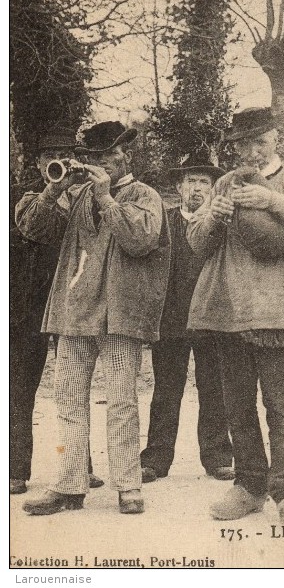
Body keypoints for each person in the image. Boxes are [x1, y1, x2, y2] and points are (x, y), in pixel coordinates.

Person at [187, 108, 284, 525]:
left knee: (282, 403)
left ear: (277, 141)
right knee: (237, 404)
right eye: (243, 144)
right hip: (230, 309)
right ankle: (250, 487)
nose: (252, 151)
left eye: (261, 142)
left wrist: (272, 199)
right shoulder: (223, 183)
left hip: (280, 313)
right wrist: (213, 216)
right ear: (233, 148)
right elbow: (197, 242)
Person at [18, 121, 170, 515]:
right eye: (95, 158)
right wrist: (54, 188)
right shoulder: (77, 193)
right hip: (74, 311)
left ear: (126, 157)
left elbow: (140, 240)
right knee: (67, 399)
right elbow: (34, 228)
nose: (101, 164)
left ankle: (127, 486)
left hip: (120, 313)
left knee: (121, 401)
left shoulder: (145, 195)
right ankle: (70, 484)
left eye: (108, 157)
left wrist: (105, 197)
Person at [11, 131, 104, 496]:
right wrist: (55, 188)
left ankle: (80, 465)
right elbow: (31, 224)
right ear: (38, 164)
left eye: (67, 156)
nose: (59, 163)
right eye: (51, 157)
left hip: (71, 301)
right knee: (19, 388)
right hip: (28, 307)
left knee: (74, 386)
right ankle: (14, 469)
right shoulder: (28, 198)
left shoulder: (88, 196)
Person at [140, 157, 234, 484]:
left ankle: (218, 457)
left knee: (214, 389)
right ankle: (155, 459)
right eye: (190, 181)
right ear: (178, 186)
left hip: (211, 320)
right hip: (169, 321)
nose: (196, 188)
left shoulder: (220, 225)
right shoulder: (161, 222)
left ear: (213, 189)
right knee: (166, 391)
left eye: (204, 182)